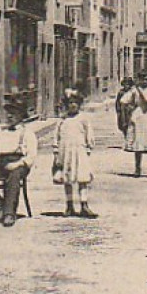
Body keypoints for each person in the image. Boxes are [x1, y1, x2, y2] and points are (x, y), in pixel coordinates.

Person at [0, 95, 37, 226]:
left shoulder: (27, 133)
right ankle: (1, 206)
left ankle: (9, 214)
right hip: (0, 162)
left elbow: (31, 156)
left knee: (13, 177)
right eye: (8, 113)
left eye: (13, 113)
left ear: (21, 115)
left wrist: (17, 164)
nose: (9, 116)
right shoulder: (1, 131)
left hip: (19, 162)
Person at [52, 87, 96, 218]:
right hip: (65, 152)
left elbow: (89, 134)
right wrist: (56, 150)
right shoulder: (62, 120)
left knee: (82, 178)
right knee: (67, 178)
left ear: (79, 104)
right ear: (66, 105)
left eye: (75, 102)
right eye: (70, 103)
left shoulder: (83, 118)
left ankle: (84, 204)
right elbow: (56, 136)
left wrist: (88, 147)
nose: (72, 105)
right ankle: (69, 205)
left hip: (79, 151)